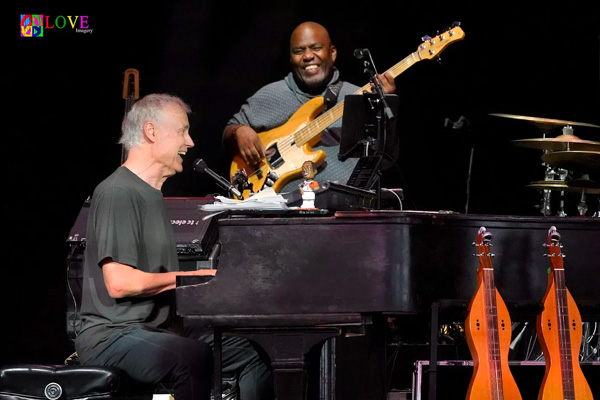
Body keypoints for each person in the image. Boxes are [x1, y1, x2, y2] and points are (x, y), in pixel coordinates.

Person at [74, 93, 274, 400]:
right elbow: (121, 283)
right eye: (182, 131)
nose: (190, 142)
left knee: (254, 350)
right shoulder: (118, 192)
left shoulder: (152, 195)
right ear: (152, 132)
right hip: (111, 336)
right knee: (189, 356)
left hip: (156, 332)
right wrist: (195, 278)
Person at [223, 21, 396, 194]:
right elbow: (228, 134)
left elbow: (387, 159)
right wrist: (238, 132)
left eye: (316, 48)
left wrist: (383, 105)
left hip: (345, 211)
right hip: (279, 212)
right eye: (299, 51)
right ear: (291, 57)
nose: (308, 56)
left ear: (333, 53)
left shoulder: (359, 97)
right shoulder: (270, 95)